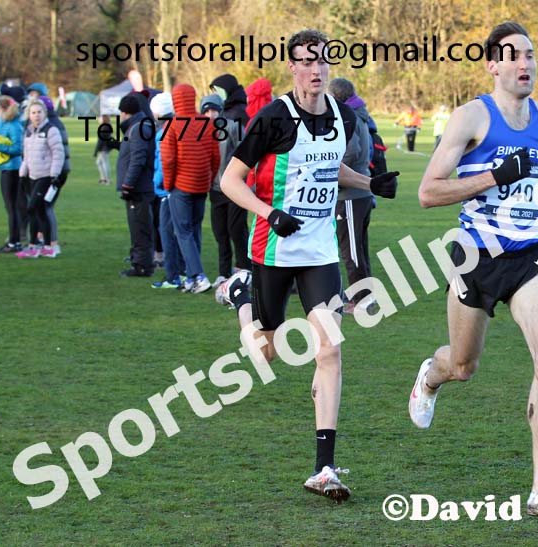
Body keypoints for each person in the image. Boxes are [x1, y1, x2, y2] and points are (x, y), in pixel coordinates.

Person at [408, 21, 538, 522]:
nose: (525, 64)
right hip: (475, 257)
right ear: (493, 65)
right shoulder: (469, 118)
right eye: (513, 56)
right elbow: (427, 192)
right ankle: (431, 377)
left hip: (529, 256)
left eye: (530, 54)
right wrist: (494, 176)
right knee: (464, 365)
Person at [220, 28, 398, 503]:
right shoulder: (273, 117)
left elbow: (329, 167)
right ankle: (242, 299)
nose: (315, 69)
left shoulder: (342, 115)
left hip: (320, 252)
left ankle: (324, 468)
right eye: (305, 61)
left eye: (322, 61)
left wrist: (368, 182)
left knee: (329, 349)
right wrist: (268, 213)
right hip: (273, 250)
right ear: (293, 67)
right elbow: (229, 181)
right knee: (266, 353)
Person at [161, 84, 221, 294]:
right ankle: (189, 277)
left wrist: (168, 185)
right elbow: (216, 157)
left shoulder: (173, 126)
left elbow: (168, 160)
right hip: (201, 184)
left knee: (183, 231)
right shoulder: (207, 124)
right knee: (194, 229)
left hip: (181, 185)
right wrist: (208, 179)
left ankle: (198, 275)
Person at [327, 77, 378, 313]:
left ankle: (362, 300)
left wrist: (331, 168)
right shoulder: (360, 114)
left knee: (352, 250)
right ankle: (365, 295)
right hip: (360, 192)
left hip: (350, 194)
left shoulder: (348, 117)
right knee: (358, 247)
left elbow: (351, 151)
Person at [201, 93, 250, 288]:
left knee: (236, 229)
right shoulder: (201, 130)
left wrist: (241, 179)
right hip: (215, 189)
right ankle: (223, 272)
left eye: (213, 110)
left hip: (234, 187)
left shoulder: (233, 127)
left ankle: (244, 269)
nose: (210, 115)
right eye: (206, 111)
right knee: (220, 232)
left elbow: (245, 153)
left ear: (220, 110)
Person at [17, 99, 64, 258]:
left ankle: (38, 245)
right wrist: (22, 173)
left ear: (44, 113)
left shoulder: (51, 130)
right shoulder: (28, 131)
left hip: (46, 176)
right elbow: (26, 155)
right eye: (33, 112)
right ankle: (41, 246)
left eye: (39, 112)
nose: (36, 115)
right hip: (32, 176)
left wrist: (54, 175)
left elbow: (58, 153)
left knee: (33, 208)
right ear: (29, 115)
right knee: (38, 211)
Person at [149, 92, 186, 289]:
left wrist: (158, 184)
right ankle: (182, 270)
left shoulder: (163, 133)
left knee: (167, 232)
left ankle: (173, 276)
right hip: (182, 186)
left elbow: (164, 162)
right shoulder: (180, 128)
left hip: (168, 189)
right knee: (182, 231)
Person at [116, 95, 156, 277]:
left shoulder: (138, 128)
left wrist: (128, 184)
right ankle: (138, 259)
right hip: (139, 185)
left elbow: (138, 159)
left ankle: (142, 265)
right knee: (139, 226)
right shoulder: (138, 126)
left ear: (124, 112)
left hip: (138, 187)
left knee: (139, 226)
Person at [0, 96, 26, 253]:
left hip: (12, 170)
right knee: (10, 206)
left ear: (2, 109)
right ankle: (13, 240)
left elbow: (18, 149)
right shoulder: (3, 125)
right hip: (5, 168)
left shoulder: (14, 126)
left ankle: (14, 242)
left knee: (11, 207)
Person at [94, 115, 114, 185]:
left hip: (103, 148)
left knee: (104, 163)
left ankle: (107, 180)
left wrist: (96, 151)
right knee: (99, 162)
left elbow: (100, 141)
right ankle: (103, 179)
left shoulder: (103, 127)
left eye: (100, 118)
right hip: (105, 148)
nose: (98, 119)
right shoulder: (106, 126)